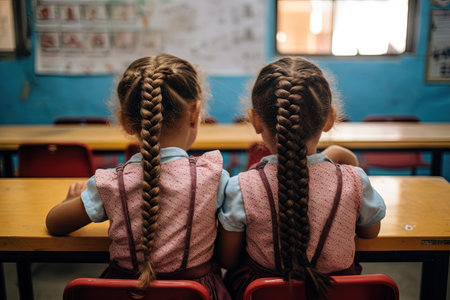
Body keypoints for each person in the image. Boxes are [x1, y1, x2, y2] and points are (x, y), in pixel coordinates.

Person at [46, 54, 231, 300]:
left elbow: (54, 224)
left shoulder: (111, 183)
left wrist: (67, 202)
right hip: (196, 294)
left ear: (124, 121)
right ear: (195, 112)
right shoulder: (214, 177)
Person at [217, 57, 386, 300]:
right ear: (329, 119)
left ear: (255, 120)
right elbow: (370, 232)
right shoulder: (354, 180)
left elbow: (228, 259)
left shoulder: (242, 188)